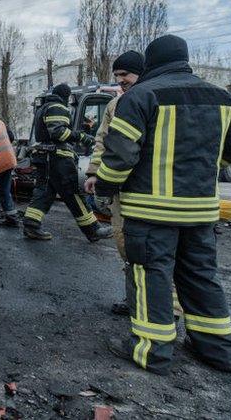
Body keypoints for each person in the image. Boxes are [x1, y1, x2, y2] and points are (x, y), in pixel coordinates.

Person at [95, 35, 231, 375]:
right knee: (200, 276)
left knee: (151, 276)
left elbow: (120, 156)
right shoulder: (223, 98)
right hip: (201, 213)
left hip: (149, 212)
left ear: (150, 63)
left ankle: (152, 352)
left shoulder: (140, 97)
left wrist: (105, 186)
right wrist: (202, 163)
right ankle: (217, 350)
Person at [84, 50, 143, 314]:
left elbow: (123, 151)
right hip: (125, 190)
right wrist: (94, 173)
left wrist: (106, 182)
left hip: (143, 190)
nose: (121, 80)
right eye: (117, 75)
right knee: (126, 246)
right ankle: (135, 303)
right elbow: (102, 142)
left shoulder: (152, 99)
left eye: (125, 74)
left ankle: (151, 312)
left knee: (147, 253)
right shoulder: (115, 105)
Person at [23, 83, 111, 242]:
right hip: (58, 158)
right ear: (66, 96)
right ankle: (93, 230)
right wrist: (82, 136)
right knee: (73, 192)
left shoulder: (43, 107)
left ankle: (31, 225)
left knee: (44, 192)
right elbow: (58, 132)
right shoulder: (58, 107)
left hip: (45, 157)